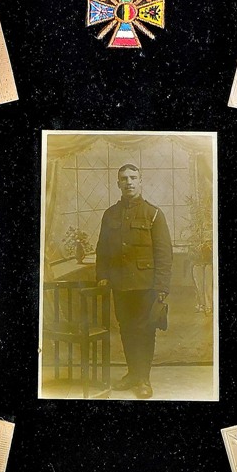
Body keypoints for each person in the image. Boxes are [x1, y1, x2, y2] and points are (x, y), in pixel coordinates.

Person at [96, 164, 172, 399]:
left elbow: (164, 253)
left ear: (140, 181)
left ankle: (143, 379)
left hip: (146, 285)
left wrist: (161, 286)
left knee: (145, 331)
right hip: (120, 284)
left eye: (133, 177)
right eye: (124, 178)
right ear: (118, 183)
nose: (128, 182)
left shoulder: (154, 214)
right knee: (126, 329)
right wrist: (103, 276)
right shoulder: (110, 214)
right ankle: (132, 374)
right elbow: (102, 250)